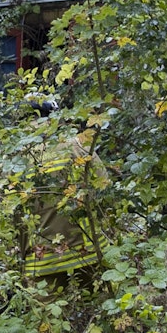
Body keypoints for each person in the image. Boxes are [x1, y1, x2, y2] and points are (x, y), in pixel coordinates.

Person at [15, 101, 107, 290]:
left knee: (47, 315)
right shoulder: (75, 144)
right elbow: (103, 185)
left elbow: (11, 210)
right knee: (97, 308)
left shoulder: (16, 157)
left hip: (42, 257)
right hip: (85, 247)